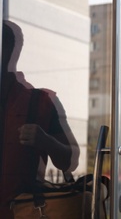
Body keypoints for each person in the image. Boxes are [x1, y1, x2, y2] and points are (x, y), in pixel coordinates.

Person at [0, 20, 80, 218]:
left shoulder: (41, 102)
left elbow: (70, 162)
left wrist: (46, 141)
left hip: (21, 212)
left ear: (10, 52)